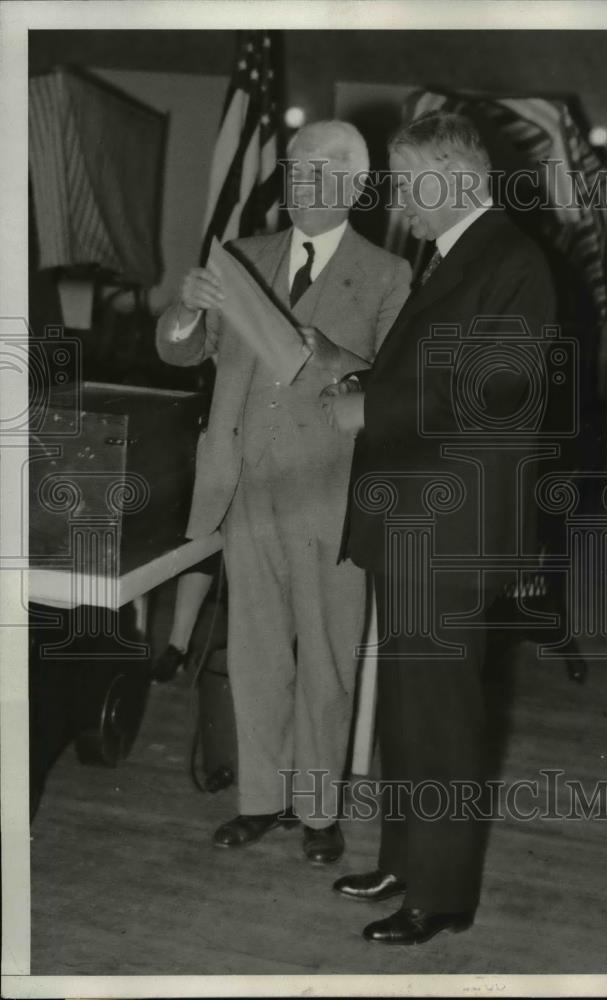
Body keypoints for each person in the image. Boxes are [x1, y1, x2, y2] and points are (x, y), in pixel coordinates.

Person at [322, 111, 555, 942]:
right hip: (417, 516)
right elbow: (436, 365)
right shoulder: (461, 255)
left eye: (409, 184)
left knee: (441, 712)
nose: (400, 203)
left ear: (455, 175)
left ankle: (443, 895)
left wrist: (368, 407)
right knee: (410, 706)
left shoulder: (511, 259)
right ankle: (404, 859)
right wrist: (365, 375)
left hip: (454, 523)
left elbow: (495, 386)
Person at [156, 120, 411, 864]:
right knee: (258, 654)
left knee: (328, 660)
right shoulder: (244, 257)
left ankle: (320, 810)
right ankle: (260, 801)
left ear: (357, 186)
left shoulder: (389, 275)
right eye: (295, 170)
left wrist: (329, 358)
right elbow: (178, 350)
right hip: (246, 488)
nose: (300, 184)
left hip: (332, 497)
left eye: (319, 172)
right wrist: (187, 310)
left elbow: (394, 388)